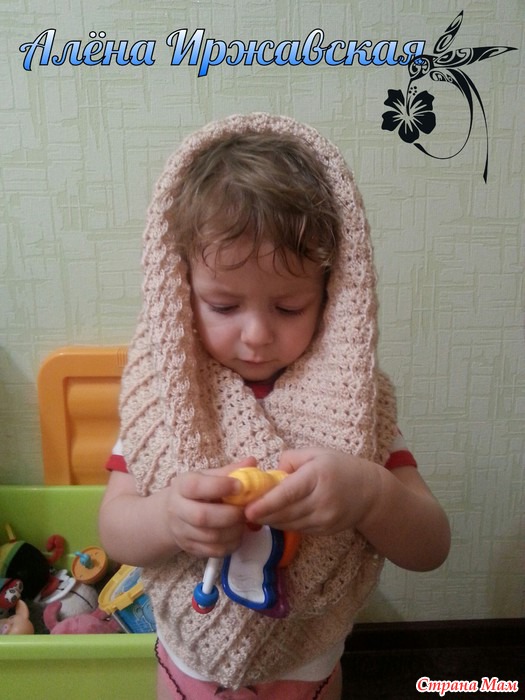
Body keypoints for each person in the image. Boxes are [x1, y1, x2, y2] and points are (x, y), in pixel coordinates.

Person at [99, 113, 450, 699]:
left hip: (308, 666)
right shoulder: (162, 398)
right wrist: (167, 519)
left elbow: (431, 546)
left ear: (332, 296)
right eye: (224, 306)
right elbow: (115, 529)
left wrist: (371, 495)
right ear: (180, 290)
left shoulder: (356, 403)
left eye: (288, 307)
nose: (257, 335)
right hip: (190, 666)